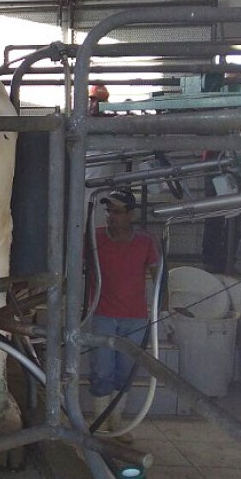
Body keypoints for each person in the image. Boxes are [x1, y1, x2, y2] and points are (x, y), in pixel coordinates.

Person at [87, 189, 159, 443]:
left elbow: (158, 274)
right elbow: (74, 266)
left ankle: (116, 420)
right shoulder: (94, 238)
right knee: (102, 369)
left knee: (126, 370)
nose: (111, 217)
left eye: (117, 212)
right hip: (103, 314)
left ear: (130, 214)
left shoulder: (144, 242)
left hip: (135, 317)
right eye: (109, 211)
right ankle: (100, 420)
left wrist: (163, 305)